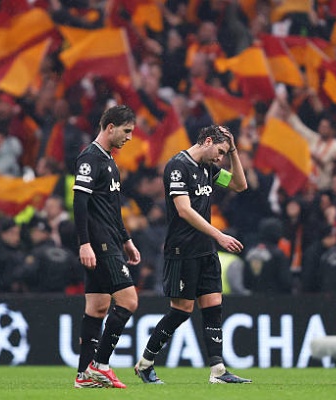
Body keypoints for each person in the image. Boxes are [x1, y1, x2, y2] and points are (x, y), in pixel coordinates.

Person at [134, 124, 251, 384]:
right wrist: (219, 235)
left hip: (204, 250)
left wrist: (233, 150)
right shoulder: (178, 166)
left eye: (224, 154)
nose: (220, 158)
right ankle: (145, 363)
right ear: (207, 141)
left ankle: (218, 371)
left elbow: (240, 184)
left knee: (213, 306)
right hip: (182, 249)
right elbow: (184, 210)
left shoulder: (209, 168)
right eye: (220, 151)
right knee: (181, 310)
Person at [72, 105, 141, 389]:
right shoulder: (90, 157)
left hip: (111, 239)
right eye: (126, 131)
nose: (129, 137)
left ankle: (83, 376)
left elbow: (112, 208)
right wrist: (84, 243)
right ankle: (99, 365)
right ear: (110, 127)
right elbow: (80, 203)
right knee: (129, 301)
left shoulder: (109, 160)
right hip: (99, 243)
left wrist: (126, 240)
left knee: (98, 307)